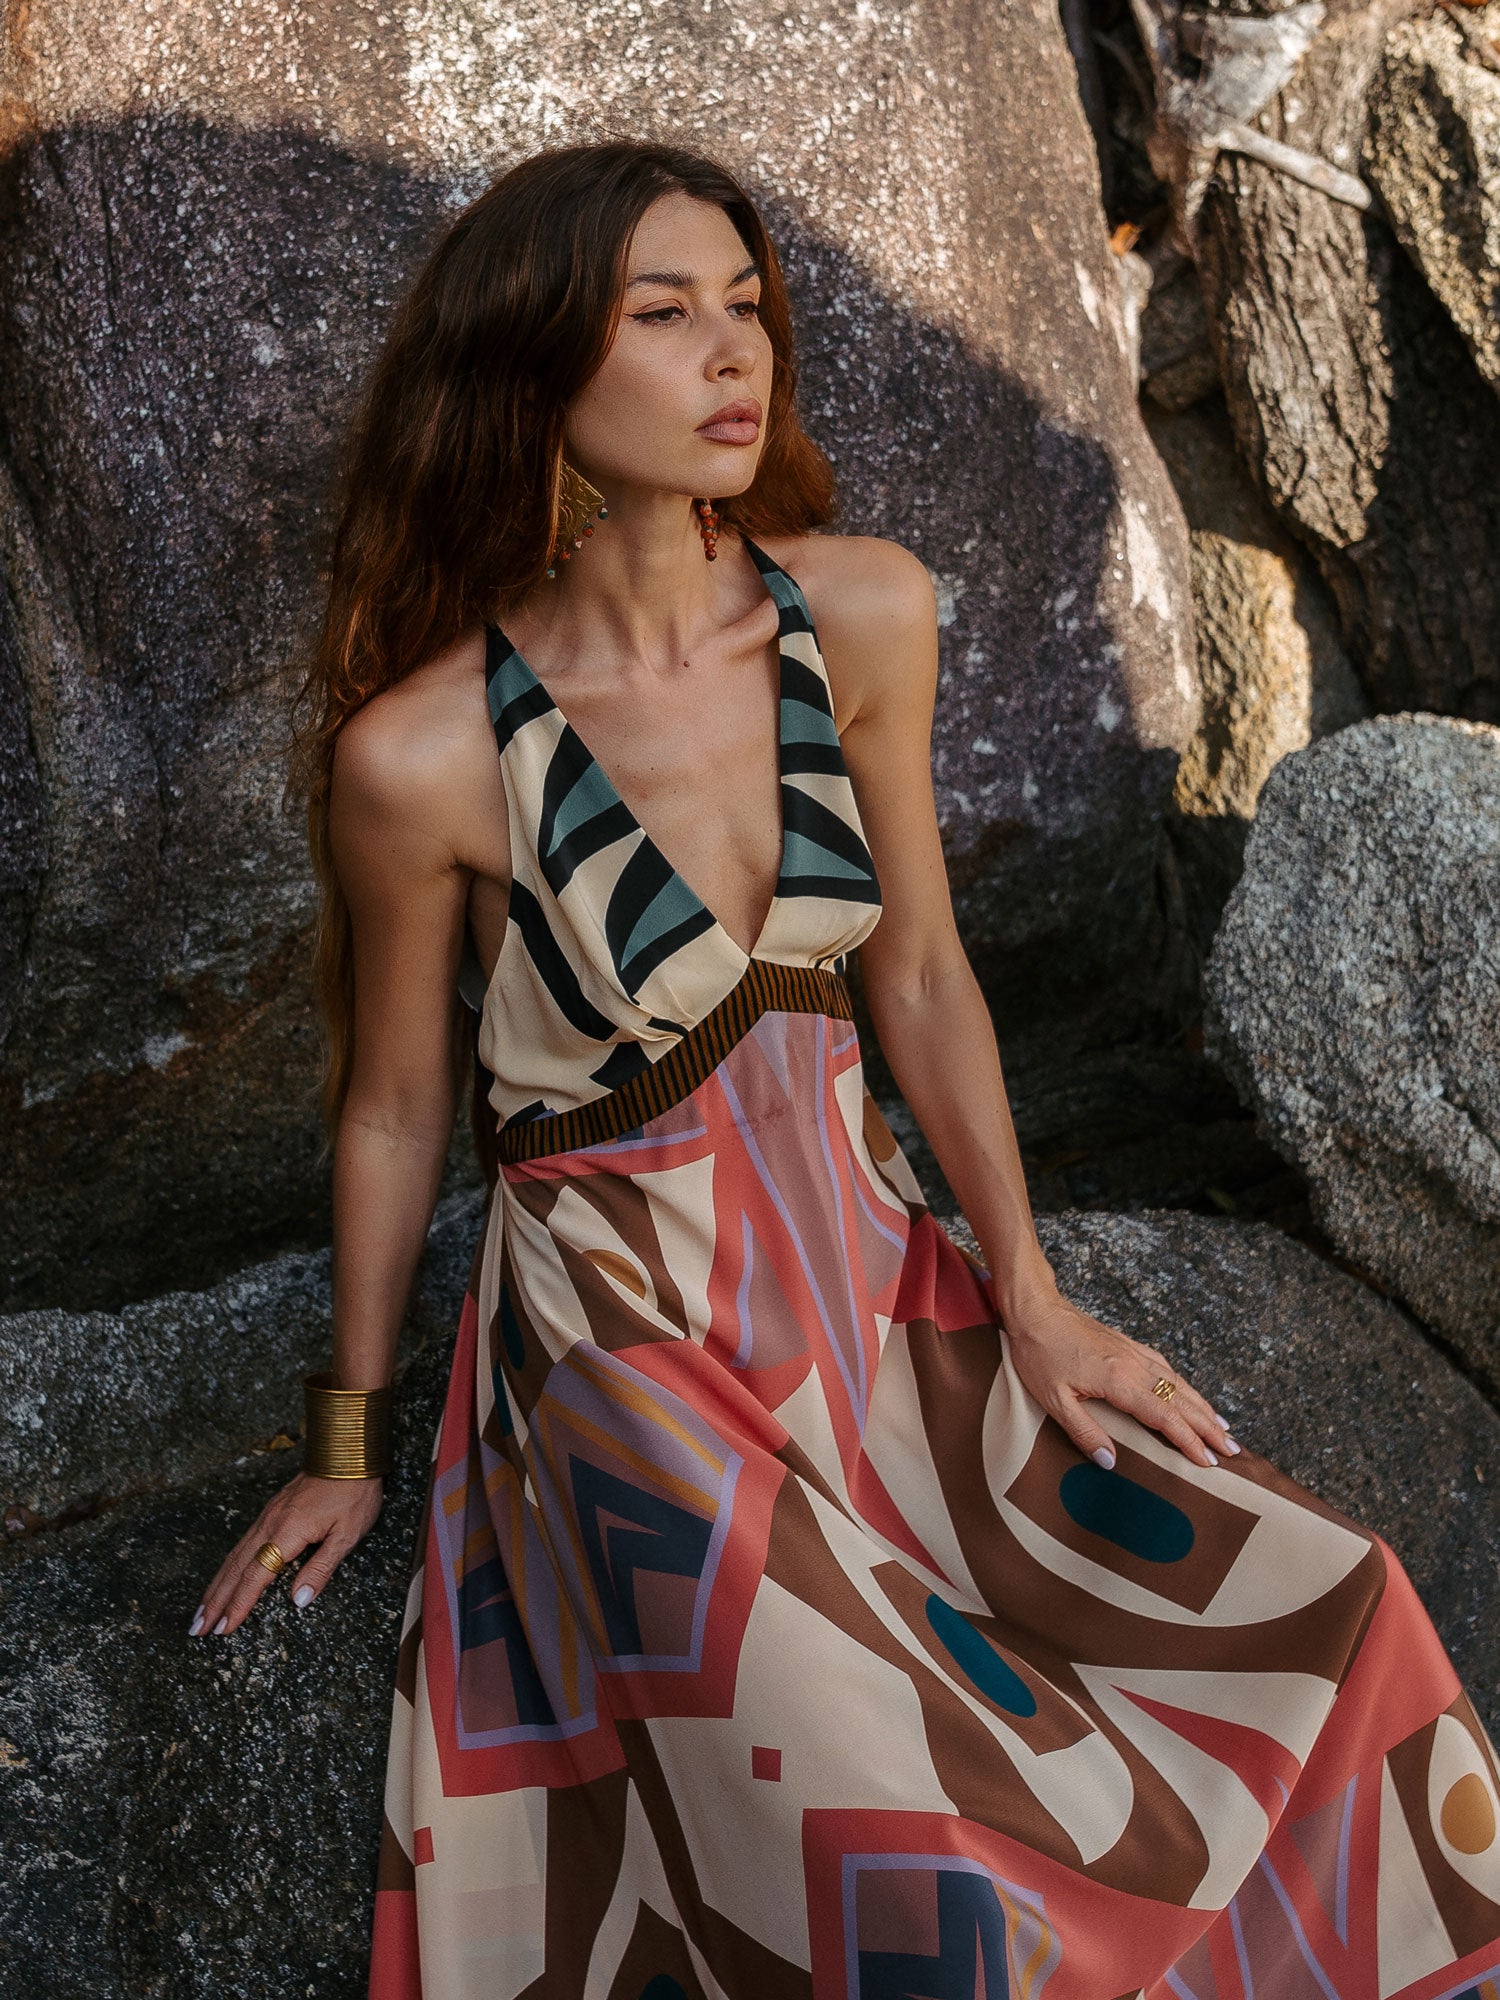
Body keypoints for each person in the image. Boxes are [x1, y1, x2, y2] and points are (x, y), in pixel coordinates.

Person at [190, 140, 1500, 1998]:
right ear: (537, 369)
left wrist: (1034, 1305)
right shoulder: (425, 754)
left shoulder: (861, 613)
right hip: (623, 1352)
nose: (735, 356)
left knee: (1338, 1599)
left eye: (748, 307)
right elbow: (398, 1108)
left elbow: (924, 972)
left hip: (871, 1285)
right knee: (902, 1850)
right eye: (664, 316)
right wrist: (344, 1437)